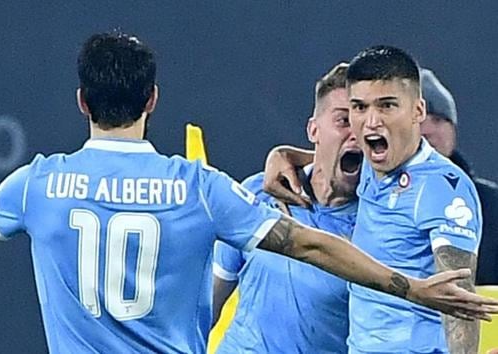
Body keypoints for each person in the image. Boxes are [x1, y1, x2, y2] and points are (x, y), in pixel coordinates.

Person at [0, 35, 495, 353]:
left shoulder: (38, 182)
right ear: (153, 102)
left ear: (82, 102)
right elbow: (307, 243)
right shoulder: (199, 190)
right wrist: (408, 286)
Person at [263, 46, 487, 354]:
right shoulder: (372, 165)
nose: (371, 122)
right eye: (359, 107)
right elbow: (328, 156)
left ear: (417, 111)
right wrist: (281, 155)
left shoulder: (443, 188)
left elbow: (458, 301)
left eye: (387, 106)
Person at [212, 63, 361, 353]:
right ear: (313, 130)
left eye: (362, 123)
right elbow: (209, 303)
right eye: (343, 121)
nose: (355, 133)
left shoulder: (380, 221)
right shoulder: (258, 191)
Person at [420, 68, 498, 285]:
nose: (427, 130)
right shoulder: (373, 200)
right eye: (418, 120)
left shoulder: (491, 204)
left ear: (453, 130)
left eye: (438, 119)